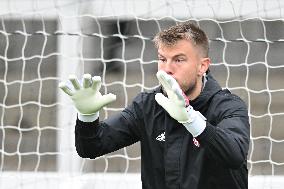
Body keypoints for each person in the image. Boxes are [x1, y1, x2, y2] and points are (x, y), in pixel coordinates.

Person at [59, 21, 250, 189]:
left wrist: (190, 118)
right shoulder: (147, 105)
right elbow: (91, 148)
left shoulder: (229, 106)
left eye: (179, 60)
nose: (167, 69)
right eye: (162, 59)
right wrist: (87, 117)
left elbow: (234, 155)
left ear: (202, 66)